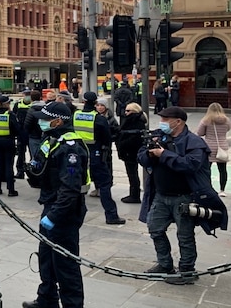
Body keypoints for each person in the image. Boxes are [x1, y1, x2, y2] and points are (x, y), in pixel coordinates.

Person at [138, 107, 227, 284]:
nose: (162, 122)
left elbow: (190, 165)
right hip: (160, 195)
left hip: (185, 197)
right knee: (155, 228)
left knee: (185, 236)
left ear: (178, 121)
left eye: (165, 119)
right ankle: (165, 264)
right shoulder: (158, 136)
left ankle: (187, 270)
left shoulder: (193, 142)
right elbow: (141, 157)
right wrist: (149, 153)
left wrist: (163, 154)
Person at [22, 102, 89, 308]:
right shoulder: (51, 140)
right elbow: (40, 174)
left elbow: (70, 188)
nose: (40, 122)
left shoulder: (71, 149)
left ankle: (72, 305)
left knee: (65, 264)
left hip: (65, 211)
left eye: (44, 118)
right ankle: (47, 299)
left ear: (58, 121)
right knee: (46, 258)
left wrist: (54, 216)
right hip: (50, 204)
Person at [73, 92, 126, 225]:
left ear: (83, 101)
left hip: (78, 154)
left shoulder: (75, 115)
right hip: (96, 155)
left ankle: (75, 214)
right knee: (104, 185)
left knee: (77, 185)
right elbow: (107, 139)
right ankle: (111, 215)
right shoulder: (99, 119)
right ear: (95, 102)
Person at [196, 103, 231, 197]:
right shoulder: (226, 120)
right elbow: (228, 129)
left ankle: (209, 188)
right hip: (222, 147)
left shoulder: (206, 120)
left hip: (209, 147)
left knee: (207, 169)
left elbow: (199, 133)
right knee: (223, 170)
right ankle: (222, 190)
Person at [116, 101, 148, 204]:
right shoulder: (137, 119)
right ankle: (134, 194)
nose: (126, 112)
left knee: (132, 174)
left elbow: (133, 138)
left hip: (130, 151)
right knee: (132, 174)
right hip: (131, 151)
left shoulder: (134, 121)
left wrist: (122, 144)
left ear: (134, 111)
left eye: (128, 110)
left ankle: (134, 195)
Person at [0, 95, 19, 197]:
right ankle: (11, 190)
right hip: (8, 142)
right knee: (8, 165)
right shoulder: (10, 114)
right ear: (6, 104)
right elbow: (17, 129)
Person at [14, 89, 33, 179]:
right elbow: (14, 117)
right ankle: (20, 171)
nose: (27, 96)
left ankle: (33, 172)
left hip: (31, 132)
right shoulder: (17, 104)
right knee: (21, 153)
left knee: (32, 154)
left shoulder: (34, 104)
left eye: (29, 94)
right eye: (26, 94)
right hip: (21, 132)